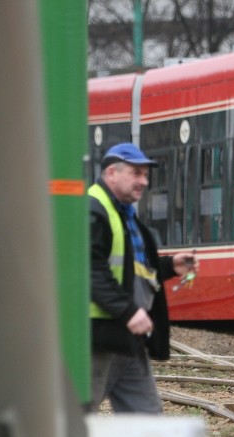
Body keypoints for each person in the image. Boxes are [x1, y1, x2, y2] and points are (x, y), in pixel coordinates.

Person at [89, 142, 197, 413]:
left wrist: (171, 266)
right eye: (136, 174)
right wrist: (128, 311)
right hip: (98, 338)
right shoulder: (95, 211)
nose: (144, 182)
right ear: (112, 173)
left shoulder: (123, 214)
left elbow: (133, 270)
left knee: (147, 420)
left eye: (145, 175)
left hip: (127, 338)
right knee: (76, 417)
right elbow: (90, 270)